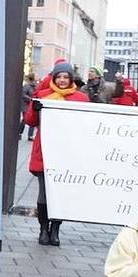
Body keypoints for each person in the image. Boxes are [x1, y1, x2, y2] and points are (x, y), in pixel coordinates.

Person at [23, 62, 89, 245]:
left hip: (67, 153)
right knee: (44, 194)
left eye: (65, 77)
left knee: (60, 194)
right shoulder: (43, 96)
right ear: (54, 78)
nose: (61, 80)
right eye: (59, 77)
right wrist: (35, 110)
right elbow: (30, 121)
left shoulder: (81, 99)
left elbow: (85, 125)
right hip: (45, 152)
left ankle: (55, 230)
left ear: (70, 79)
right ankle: (44, 229)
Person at [19, 74, 36, 140]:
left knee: (32, 119)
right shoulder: (27, 86)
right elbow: (23, 94)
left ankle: (30, 135)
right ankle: (20, 133)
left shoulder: (34, 86)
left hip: (31, 105)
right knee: (25, 119)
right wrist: (30, 99)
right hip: (26, 105)